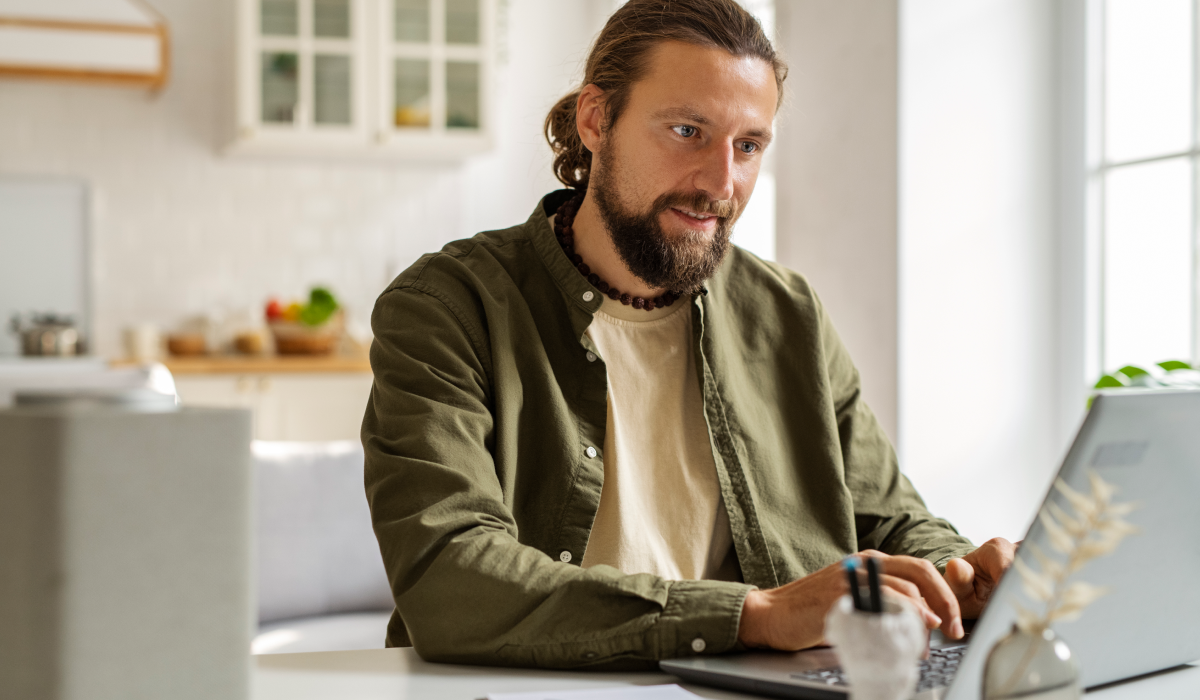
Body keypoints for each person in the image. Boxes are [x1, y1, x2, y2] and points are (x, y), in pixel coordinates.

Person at [362, 0, 1015, 669]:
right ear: (596, 120)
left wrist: (963, 573)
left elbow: (893, 521)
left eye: (748, 146)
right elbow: (451, 578)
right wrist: (753, 615)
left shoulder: (788, 313)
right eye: (686, 130)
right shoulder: (447, 306)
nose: (720, 183)